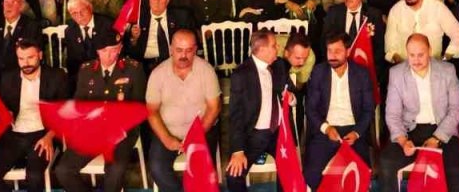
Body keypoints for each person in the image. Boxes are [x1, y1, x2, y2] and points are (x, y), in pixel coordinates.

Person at [54, 34, 147, 192]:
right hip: (92, 130)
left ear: (120, 49)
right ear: (97, 51)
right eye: (104, 51)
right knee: (63, 170)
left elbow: (139, 106)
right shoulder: (86, 70)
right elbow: (79, 103)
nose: (108, 56)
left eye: (113, 51)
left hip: (121, 132)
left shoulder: (134, 69)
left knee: (114, 171)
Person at [380, 33, 459, 192]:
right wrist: (402, 140)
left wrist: (437, 138)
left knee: (456, 171)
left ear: (430, 51)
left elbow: (455, 110)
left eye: (421, 54)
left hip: (441, 128)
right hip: (409, 131)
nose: (416, 60)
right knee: (386, 162)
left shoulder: (447, 71)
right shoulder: (397, 73)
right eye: (412, 55)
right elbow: (392, 114)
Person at [0, 39, 68, 192]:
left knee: (34, 176)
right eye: (21, 58)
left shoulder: (56, 76)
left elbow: (65, 113)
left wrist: (49, 136)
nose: (26, 63)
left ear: (40, 55)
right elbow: (0, 107)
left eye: (30, 57)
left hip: (42, 133)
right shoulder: (8, 77)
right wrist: (4, 114)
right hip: (14, 134)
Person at [143, 28, 220, 192]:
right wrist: (167, 139)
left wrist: (196, 135)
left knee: (202, 172)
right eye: (179, 50)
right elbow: (152, 111)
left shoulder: (206, 71)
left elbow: (214, 108)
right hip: (168, 131)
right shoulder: (157, 74)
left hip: (201, 131)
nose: (183, 55)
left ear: (196, 49)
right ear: (171, 49)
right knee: (157, 169)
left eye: (189, 50)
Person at [303, 32, 376, 190]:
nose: (332, 56)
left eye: (337, 51)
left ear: (348, 51)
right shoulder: (319, 72)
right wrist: (326, 128)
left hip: (354, 131)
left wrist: (357, 133)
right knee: (312, 173)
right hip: (327, 130)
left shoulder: (361, 74)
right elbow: (311, 108)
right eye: (330, 51)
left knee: (361, 173)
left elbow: (368, 109)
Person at [225, 30, 290, 192]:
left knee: (290, 168)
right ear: (261, 49)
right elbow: (235, 114)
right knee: (233, 175)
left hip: (278, 133)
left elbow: (287, 89)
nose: (278, 48)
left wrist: (291, 97)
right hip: (254, 134)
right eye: (274, 45)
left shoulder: (279, 65)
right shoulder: (241, 74)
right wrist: (238, 150)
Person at [384, 0, 459, 62]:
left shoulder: (438, 8)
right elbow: (390, 44)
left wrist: (444, 59)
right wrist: (401, 64)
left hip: (434, 65)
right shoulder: (396, 10)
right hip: (405, 66)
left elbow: (458, 33)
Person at [126, 0, 196, 74]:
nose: (156, 1)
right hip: (146, 66)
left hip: (173, 63)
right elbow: (129, 50)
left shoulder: (181, 17)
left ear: (168, 0)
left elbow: (192, 43)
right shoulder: (139, 18)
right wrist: (134, 38)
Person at [62, 0, 115, 78]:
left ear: (90, 8)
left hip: (106, 74)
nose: (79, 16)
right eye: (74, 13)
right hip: (82, 76)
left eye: (82, 10)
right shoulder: (70, 31)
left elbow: (113, 56)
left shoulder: (107, 25)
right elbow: (72, 62)